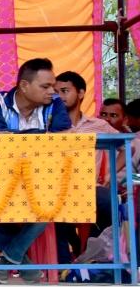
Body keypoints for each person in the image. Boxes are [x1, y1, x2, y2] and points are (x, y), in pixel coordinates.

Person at [0, 58, 70, 283]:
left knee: (49, 202)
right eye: (45, 86)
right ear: (24, 86)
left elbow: (62, 136)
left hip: (42, 180)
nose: (53, 91)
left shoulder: (55, 104)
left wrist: (22, 138)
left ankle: (9, 260)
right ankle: (24, 264)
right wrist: (39, 136)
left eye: (53, 86)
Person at [54, 72, 117, 265]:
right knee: (50, 210)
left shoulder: (98, 125)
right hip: (57, 190)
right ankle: (63, 268)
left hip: (89, 188)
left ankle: (96, 257)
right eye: (56, 92)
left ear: (81, 93)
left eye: (65, 91)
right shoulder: (49, 126)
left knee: (109, 201)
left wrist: (110, 174)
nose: (60, 96)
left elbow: (128, 147)